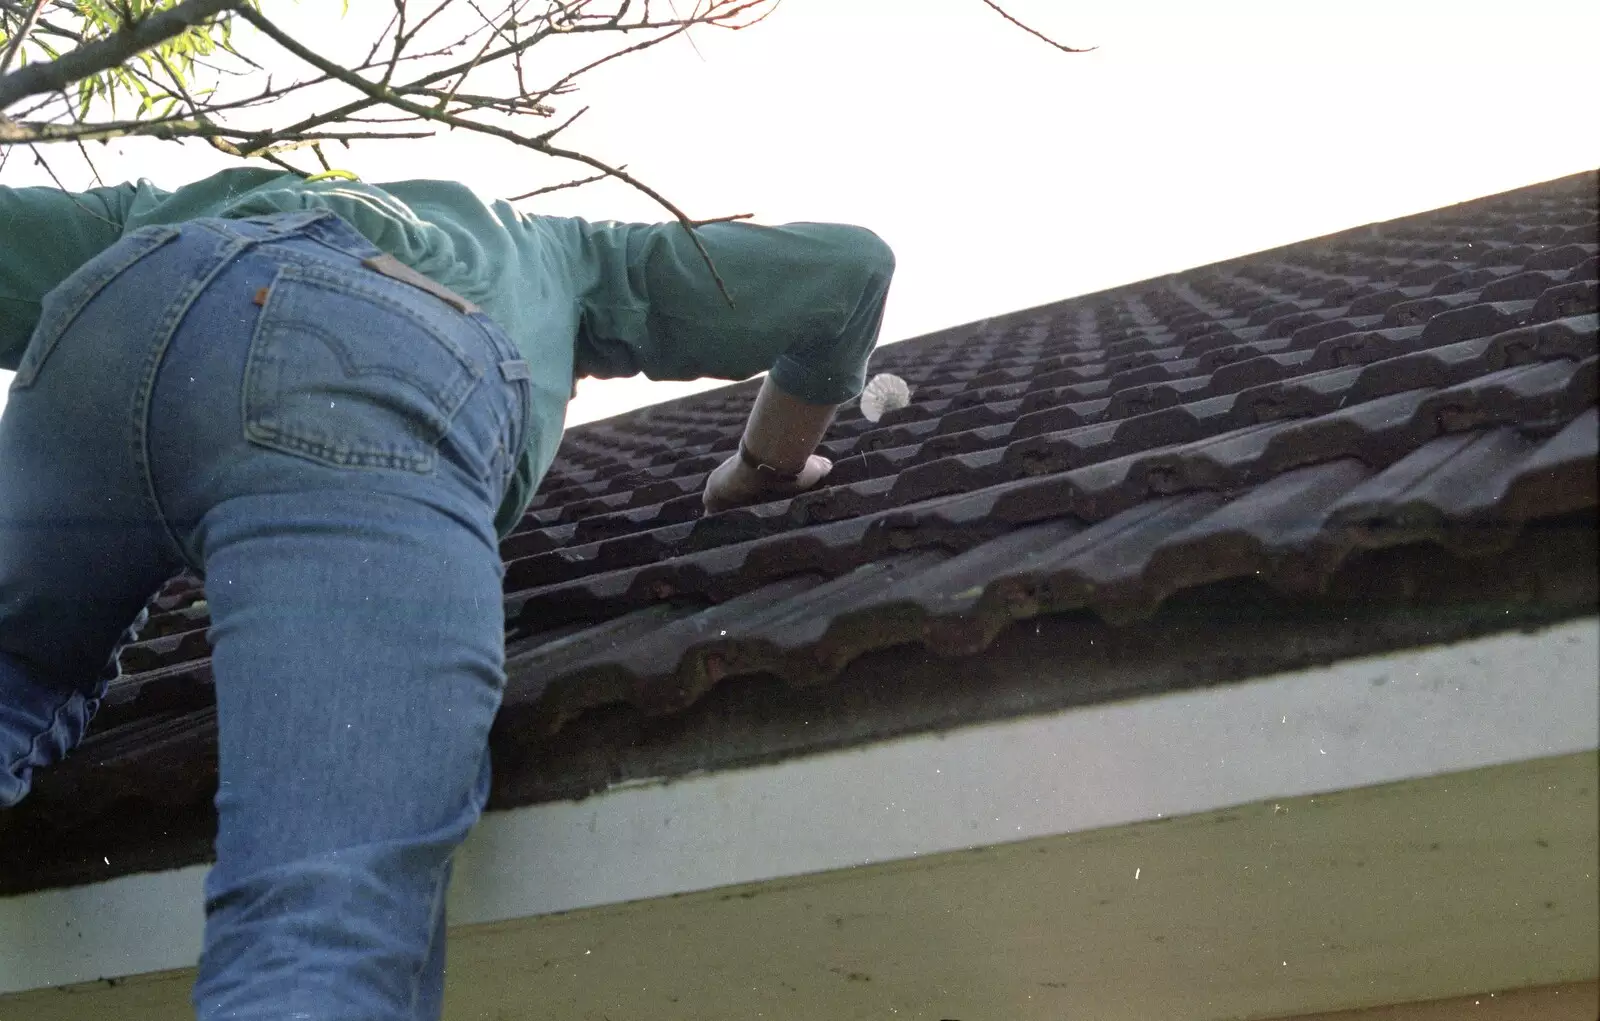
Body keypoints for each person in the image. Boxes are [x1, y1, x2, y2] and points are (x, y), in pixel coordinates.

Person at [0, 166, 893, 1019]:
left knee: (17, 672)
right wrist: (760, 466)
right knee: (323, 913)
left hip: (115, 308)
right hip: (367, 362)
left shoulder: (194, 196)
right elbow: (846, 269)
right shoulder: (572, 251)